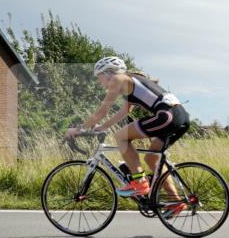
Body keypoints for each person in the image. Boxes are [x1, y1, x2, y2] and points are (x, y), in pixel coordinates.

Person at [68, 56, 190, 218]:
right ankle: (175, 201)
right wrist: (103, 127)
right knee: (152, 159)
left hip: (166, 116)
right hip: (180, 117)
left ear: (107, 73)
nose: (100, 82)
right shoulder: (131, 81)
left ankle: (139, 182)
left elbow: (102, 110)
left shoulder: (118, 79)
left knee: (121, 136)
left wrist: (79, 129)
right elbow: (124, 112)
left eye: (99, 77)